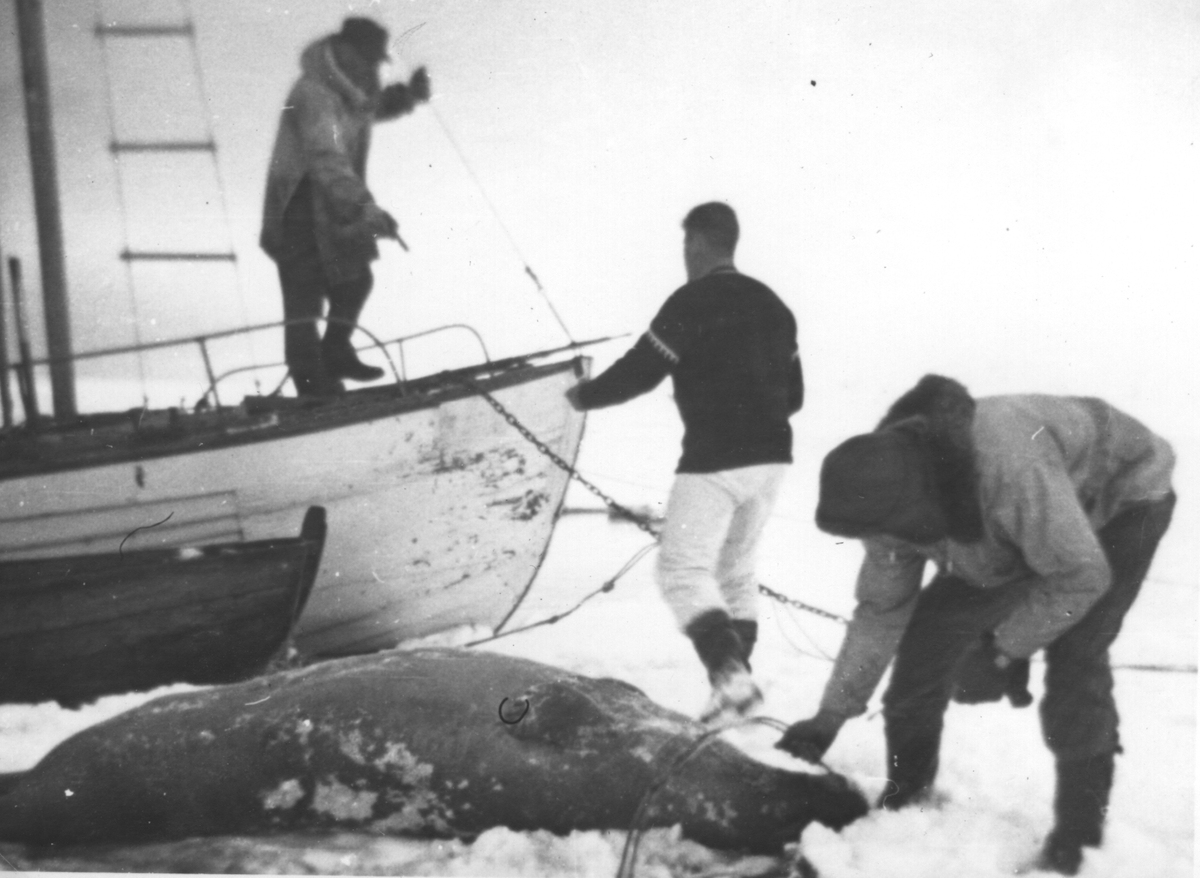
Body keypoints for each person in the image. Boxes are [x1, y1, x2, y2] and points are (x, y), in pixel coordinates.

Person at [775, 374, 1175, 875]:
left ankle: (1080, 844)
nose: (887, 546)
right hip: (1016, 531)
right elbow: (880, 613)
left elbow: (1079, 575)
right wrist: (830, 716)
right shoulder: (886, 501)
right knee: (927, 640)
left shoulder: (1008, 467)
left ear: (920, 503)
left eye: (894, 533)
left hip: (1123, 500)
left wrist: (1001, 649)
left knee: (1076, 654)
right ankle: (909, 796)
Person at [565, 202, 804, 724]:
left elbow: (641, 372)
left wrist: (583, 397)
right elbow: (796, 397)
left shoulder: (693, 300)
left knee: (681, 571)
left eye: (685, 246)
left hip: (716, 459)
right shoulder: (775, 306)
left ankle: (732, 683)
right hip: (773, 460)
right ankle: (734, 692)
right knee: (735, 573)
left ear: (695, 243)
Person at [260, 16, 431, 396]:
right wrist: (365, 208)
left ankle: (335, 352)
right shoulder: (314, 94)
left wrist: (410, 96)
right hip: (299, 208)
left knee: (355, 279)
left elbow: (369, 109)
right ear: (347, 51)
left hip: (331, 205)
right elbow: (327, 159)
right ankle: (312, 386)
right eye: (369, 59)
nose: (373, 68)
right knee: (304, 300)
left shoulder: (345, 90)